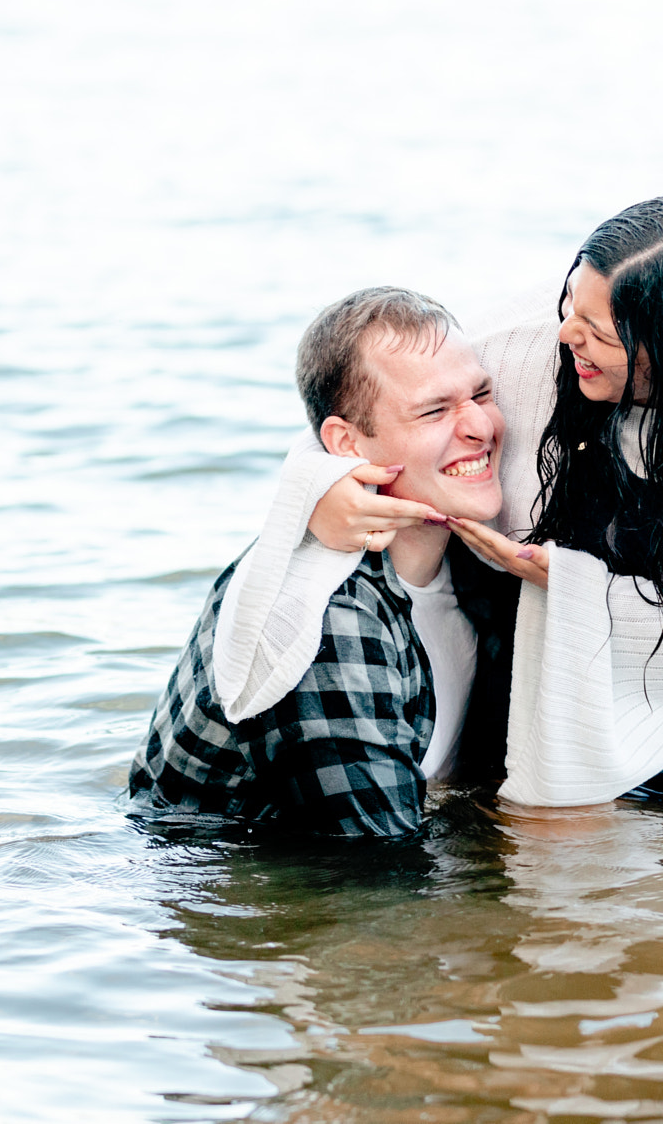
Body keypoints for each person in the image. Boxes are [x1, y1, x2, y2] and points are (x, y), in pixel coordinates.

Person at [212, 196, 663, 809]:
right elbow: (355, 414)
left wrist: (576, 587)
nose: (565, 337)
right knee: (518, 899)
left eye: (600, 333)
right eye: (569, 308)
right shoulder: (529, 340)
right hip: (536, 660)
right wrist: (321, 489)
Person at [127, 287, 520, 840]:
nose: (480, 425)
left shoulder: (477, 556)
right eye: (434, 410)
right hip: (232, 884)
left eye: (482, 393)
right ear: (346, 444)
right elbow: (376, 878)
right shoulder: (324, 621)